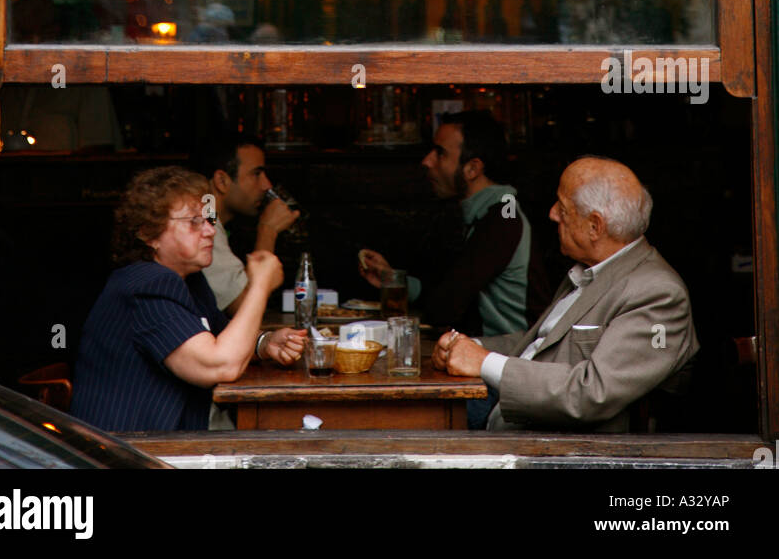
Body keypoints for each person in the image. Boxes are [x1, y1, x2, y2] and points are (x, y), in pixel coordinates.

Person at [432, 156, 699, 432]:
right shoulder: (589, 270)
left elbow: (593, 393)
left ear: (595, 226)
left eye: (563, 208)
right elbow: (543, 345)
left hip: (553, 447)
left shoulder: (658, 293)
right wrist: (466, 346)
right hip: (503, 416)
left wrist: (484, 361)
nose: (552, 214)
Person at [71, 166, 305, 433]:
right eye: (194, 222)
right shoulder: (146, 285)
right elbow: (220, 364)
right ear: (149, 234)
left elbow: (224, 336)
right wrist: (260, 286)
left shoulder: (189, 280)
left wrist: (265, 342)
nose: (209, 231)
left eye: (209, 220)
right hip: (126, 452)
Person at [359, 112, 550, 339]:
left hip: (511, 358)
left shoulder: (504, 216)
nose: (427, 161)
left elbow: (446, 306)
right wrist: (392, 280)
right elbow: (450, 289)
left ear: (472, 169)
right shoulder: (486, 212)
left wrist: (401, 286)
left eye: (440, 153)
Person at [201, 132, 300, 314]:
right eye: (256, 174)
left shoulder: (213, 217)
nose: (266, 185)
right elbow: (244, 306)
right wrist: (268, 229)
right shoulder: (205, 221)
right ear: (222, 181)